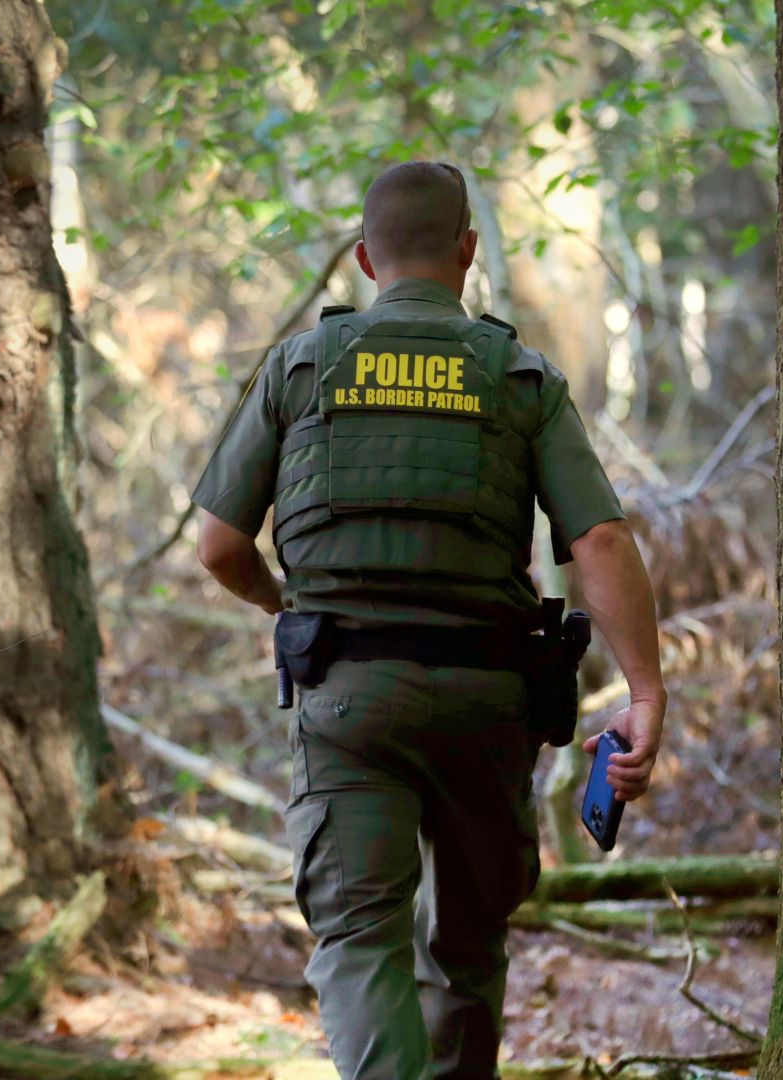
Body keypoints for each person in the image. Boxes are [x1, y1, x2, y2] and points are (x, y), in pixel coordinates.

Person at [189, 161, 666, 1079]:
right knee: (467, 940)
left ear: (366, 259)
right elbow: (600, 540)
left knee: (361, 940)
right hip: (488, 700)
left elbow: (218, 545)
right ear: (468, 250)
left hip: (347, 698)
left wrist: (288, 607)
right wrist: (645, 693)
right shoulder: (518, 376)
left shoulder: (301, 367)